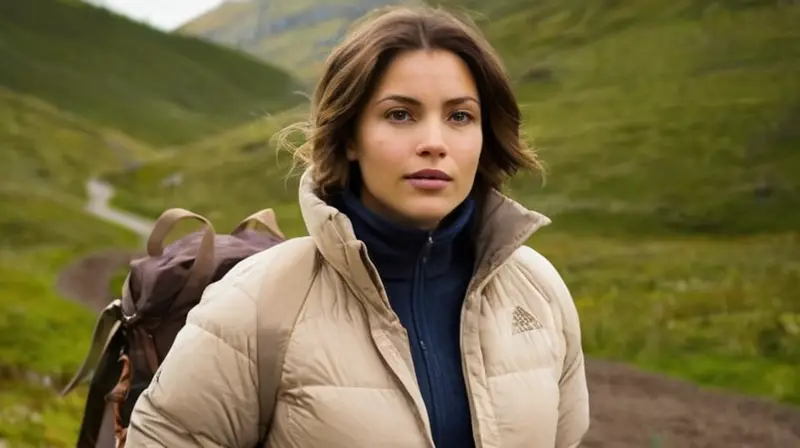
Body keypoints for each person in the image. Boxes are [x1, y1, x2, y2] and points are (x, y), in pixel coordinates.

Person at [125, 5, 590, 447]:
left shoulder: (539, 290)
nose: (434, 142)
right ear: (349, 136)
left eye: (460, 116)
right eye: (400, 114)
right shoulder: (257, 302)